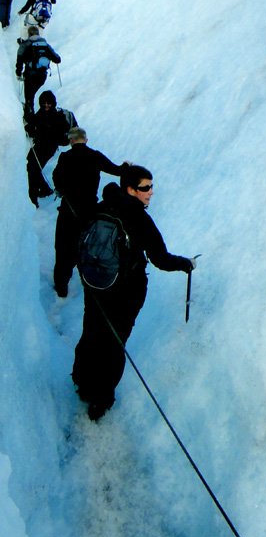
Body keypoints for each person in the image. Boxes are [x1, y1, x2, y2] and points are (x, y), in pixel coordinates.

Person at [72, 163, 196, 421]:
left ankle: (82, 382)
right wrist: (186, 264)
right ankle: (100, 400)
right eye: (145, 188)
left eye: (151, 186)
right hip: (125, 291)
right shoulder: (139, 218)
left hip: (95, 284)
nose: (151, 192)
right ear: (130, 189)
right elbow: (160, 258)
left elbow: (81, 240)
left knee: (92, 332)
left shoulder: (100, 207)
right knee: (114, 344)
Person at [52, 126, 123, 298]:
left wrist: (63, 190)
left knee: (63, 248)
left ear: (70, 141)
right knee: (85, 245)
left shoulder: (65, 157)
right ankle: (89, 281)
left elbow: (57, 179)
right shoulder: (95, 156)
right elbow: (116, 170)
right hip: (90, 211)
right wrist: (126, 167)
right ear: (86, 140)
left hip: (68, 211)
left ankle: (61, 287)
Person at [25, 91, 76, 207]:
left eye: (49, 103)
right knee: (32, 166)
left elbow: (56, 136)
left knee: (33, 167)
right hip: (41, 145)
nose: (46, 106)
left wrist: (40, 131)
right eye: (44, 103)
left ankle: (33, 197)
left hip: (49, 147)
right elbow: (36, 122)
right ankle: (44, 189)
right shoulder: (42, 113)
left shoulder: (58, 117)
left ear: (53, 103)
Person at [15, 26, 61, 121]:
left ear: (29, 34)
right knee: (32, 94)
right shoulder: (45, 45)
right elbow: (57, 59)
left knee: (29, 97)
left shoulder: (26, 43)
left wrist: (18, 73)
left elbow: (20, 58)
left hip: (30, 74)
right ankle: (33, 117)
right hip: (42, 76)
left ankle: (29, 119)